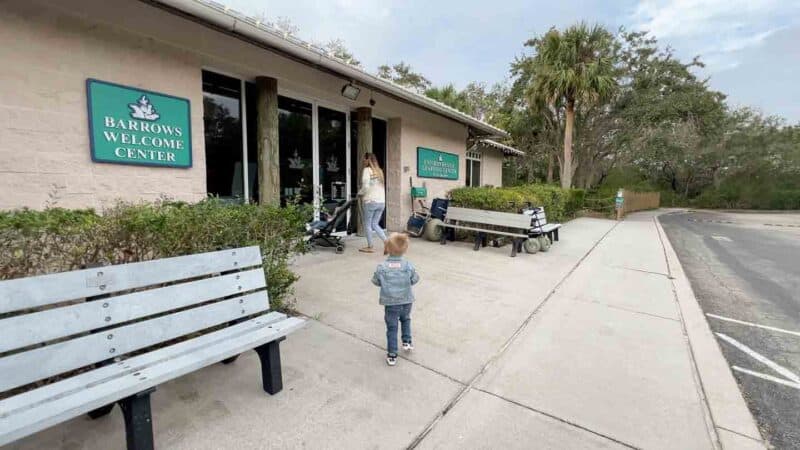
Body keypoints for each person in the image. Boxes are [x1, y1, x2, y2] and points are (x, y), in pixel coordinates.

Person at [371, 232, 420, 366]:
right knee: (406, 319)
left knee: (392, 328)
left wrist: (386, 284)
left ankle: (392, 354)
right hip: (406, 300)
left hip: (391, 303)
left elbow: (375, 281)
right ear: (405, 249)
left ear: (388, 248)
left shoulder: (382, 267)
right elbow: (415, 279)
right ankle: (407, 341)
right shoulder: (407, 265)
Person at [357, 153, 386, 253]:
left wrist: (359, 193)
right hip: (381, 202)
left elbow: (365, 186)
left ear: (367, 160)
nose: (363, 161)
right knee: (375, 224)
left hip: (370, 201)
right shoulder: (380, 171)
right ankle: (387, 243)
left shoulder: (367, 170)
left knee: (368, 224)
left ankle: (370, 246)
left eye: (364, 160)